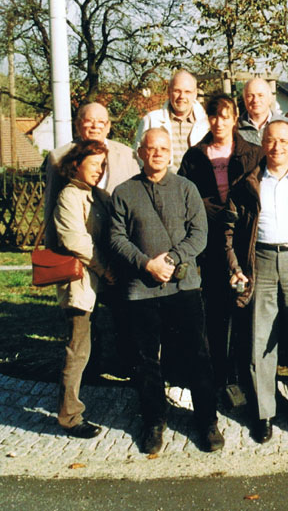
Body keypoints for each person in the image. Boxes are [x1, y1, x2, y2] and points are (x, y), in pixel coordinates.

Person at [110, 128, 223, 454]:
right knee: (146, 361)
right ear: (140, 152)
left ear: (170, 153)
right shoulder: (124, 192)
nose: (157, 153)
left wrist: (172, 259)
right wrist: (147, 264)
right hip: (141, 291)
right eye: (151, 148)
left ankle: (207, 420)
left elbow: (199, 234)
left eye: (163, 148)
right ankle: (153, 421)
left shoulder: (186, 188)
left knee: (198, 356)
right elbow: (116, 238)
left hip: (183, 287)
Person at [226, 120, 288, 443]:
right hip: (260, 261)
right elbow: (228, 229)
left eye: (283, 141)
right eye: (271, 140)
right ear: (263, 143)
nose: (277, 147)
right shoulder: (247, 182)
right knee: (260, 340)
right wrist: (236, 267)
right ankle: (264, 412)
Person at [178, 94, 261, 389]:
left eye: (225, 116)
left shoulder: (253, 153)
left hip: (245, 238)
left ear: (235, 118)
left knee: (245, 307)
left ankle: (241, 374)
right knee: (215, 309)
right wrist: (209, 208)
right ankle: (218, 374)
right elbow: (186, 197)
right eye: (214, 116)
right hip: (211, 240)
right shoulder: (195, 156)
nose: (219, 122)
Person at [53, 140, 114, 439]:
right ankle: (69, 416)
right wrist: (106, 269)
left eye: (102, 165)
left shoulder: (98, 195)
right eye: (93, 164)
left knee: (91, 346)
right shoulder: (69, 195)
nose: (99, 170)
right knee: (78, 349)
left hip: (99, 282)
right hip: (81, 283)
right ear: (76, 165)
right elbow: (75, 240)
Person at [44, 103, 140, 248]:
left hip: (120, 244)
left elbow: (136, 204)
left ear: (108, 126)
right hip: (78, 245)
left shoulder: (128, 155)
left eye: (101, 122)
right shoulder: (59, 157)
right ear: (78, 125)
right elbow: (51, 205)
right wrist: (51, 247)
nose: (95, 126)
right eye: (89, 121)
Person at [133, 70, 209, 172]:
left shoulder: (207, 123)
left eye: (187, 92)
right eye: (177, 91)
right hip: (161, 181)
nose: (182, 96)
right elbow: (138, 157)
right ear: (169, 92)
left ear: (195, 94)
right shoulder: (151, 120)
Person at [237, 77, 288, 155]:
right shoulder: (235, 128)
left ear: (270, 98)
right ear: (244, 99)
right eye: (250, 96)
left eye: (260, 95)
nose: (255, 100)